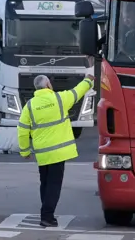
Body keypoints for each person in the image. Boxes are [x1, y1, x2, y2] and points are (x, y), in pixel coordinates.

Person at [17, 73, 94, 227]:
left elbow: (23, 130)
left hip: (42, 154)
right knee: (53, 185)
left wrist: (25, 151)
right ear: (48, 85)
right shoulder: (59, 99)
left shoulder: (30, 106)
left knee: (45, 184)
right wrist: (88, 81)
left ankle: (47, 213)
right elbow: (77, 92)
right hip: (58, 153)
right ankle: (47, 216)